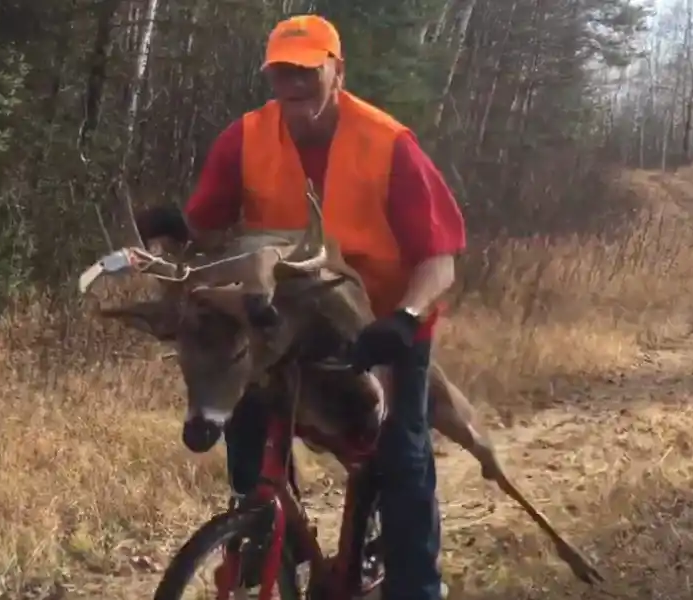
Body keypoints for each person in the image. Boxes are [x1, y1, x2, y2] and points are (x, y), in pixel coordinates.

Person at [136, 13, 466, 600]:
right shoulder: (247, 137)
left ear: (338, 71)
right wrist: (171, 232)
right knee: (246, 429)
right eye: (280, 73)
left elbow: (439, 259)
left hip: (382, 322)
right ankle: (269, 543)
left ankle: (418, 586)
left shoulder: (389, 144)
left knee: (401, 458)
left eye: (306, 72)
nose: (292, 86)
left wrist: (407, 319)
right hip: (289, 321)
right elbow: (205, 225)